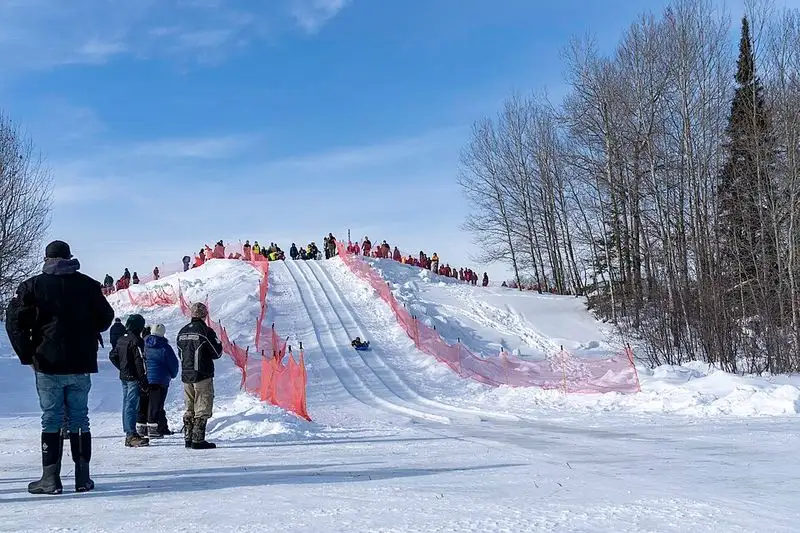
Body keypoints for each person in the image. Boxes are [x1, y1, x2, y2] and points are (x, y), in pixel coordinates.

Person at [5, 240, 114, 494]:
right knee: (80, 418)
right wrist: (86, 331)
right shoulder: (88, 285)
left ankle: (50, 479)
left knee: (51, 418)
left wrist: (27, 354)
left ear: (46, 259)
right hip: (80, 362)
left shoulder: (32, 286)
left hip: (47, 361)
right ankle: (82, 478)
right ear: (70, 257)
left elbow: (14, 322)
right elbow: (106, 317)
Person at [177, 303, 223, 450]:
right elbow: (217, 353)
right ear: (205, 315)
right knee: (202, 406)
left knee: (189, 406)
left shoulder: (182, 331)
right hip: (202, 373)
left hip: (186, 373)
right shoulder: (206, 331)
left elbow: (180, 353)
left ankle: (188, 438)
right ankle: (198, 439)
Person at [109, 314, 149, 448]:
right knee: (131, 405)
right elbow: (140, 361)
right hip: (133, 377)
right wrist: (143, 378)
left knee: (127, 404)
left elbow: (112, 355)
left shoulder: (122, 338)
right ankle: (130, 434)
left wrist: (122, 368)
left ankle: (130, 432)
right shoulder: (137, 341)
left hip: (125, 377)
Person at [142, 324, 179, 439]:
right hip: (161, 379)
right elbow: (173, 364)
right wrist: (173, 374)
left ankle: (147, 427)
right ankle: (155, 428)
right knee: (158, 404)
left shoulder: (144, 344)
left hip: (146, 378)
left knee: (148, 403)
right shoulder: (164, 347)